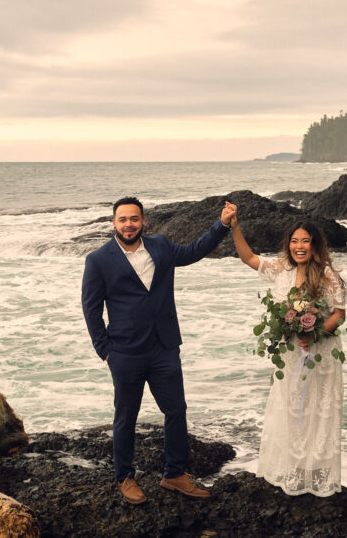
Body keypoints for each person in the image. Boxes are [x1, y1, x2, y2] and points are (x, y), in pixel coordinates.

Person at [82, 196, 236, 505]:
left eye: (134, 219)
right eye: (123, 219)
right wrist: (105, 350)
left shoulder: (162, 246)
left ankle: (175, 474)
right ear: (114, 223)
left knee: (176, 410)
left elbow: (194, 251)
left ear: (143, 221)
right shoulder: (98, 259)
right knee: (126, 415)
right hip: (125, 352)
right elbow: (91, 308)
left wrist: (222, 225)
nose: (129, 224)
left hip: (165, 347)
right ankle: (125, 477)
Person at [228, 203, 347, 497]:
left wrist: (317, 332)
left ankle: (315, 473)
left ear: (315, 244)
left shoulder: (328, 275)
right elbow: (247, 257)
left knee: (316, 408)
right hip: (291, 353)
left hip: (320, 353)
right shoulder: (281, 269)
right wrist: (233, 226)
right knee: (291, 406)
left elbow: (339, 314)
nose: (299, 246)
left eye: (305, 241)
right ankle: (292, 469)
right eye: (294, 241)